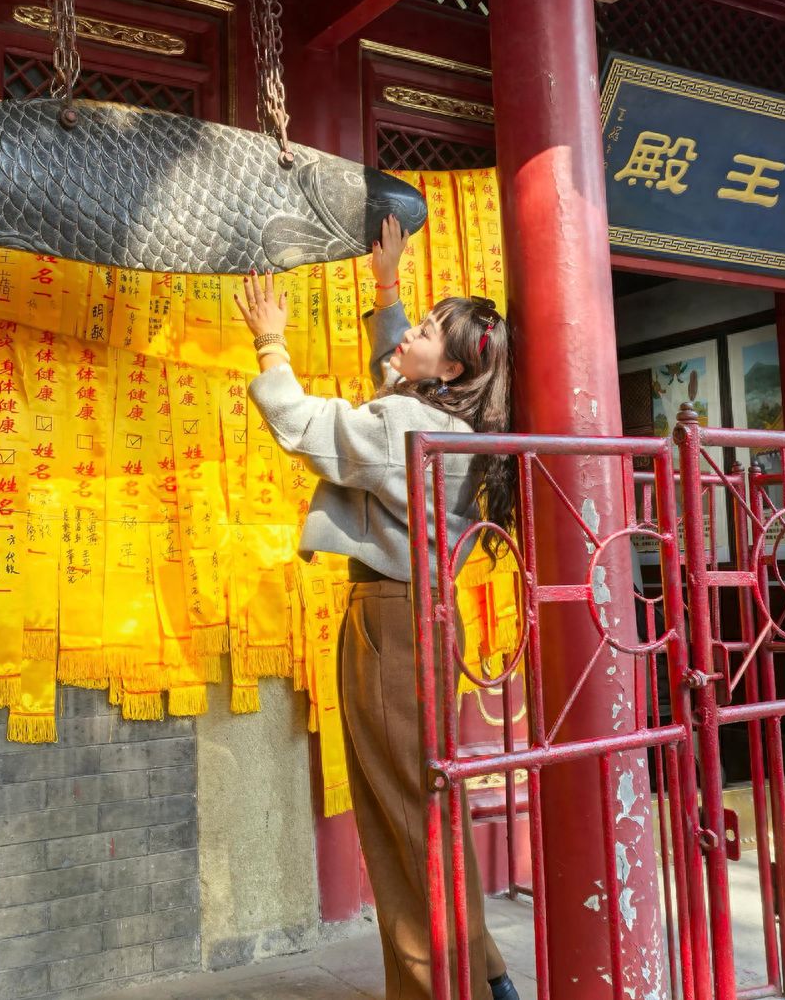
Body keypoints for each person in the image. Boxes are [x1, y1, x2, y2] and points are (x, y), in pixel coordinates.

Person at [234, 214, 519, 1000]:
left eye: (427, 330)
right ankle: (481, 973)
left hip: (390, 624)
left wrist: (270, 343)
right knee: (423, 798)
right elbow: (394, 389)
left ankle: (447, 986)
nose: (411, 333)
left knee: (402, 811)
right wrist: (388, 289)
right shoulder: (458, 425)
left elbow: (305, 423)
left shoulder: (406, 422)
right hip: (424, 618)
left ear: (454, 368)